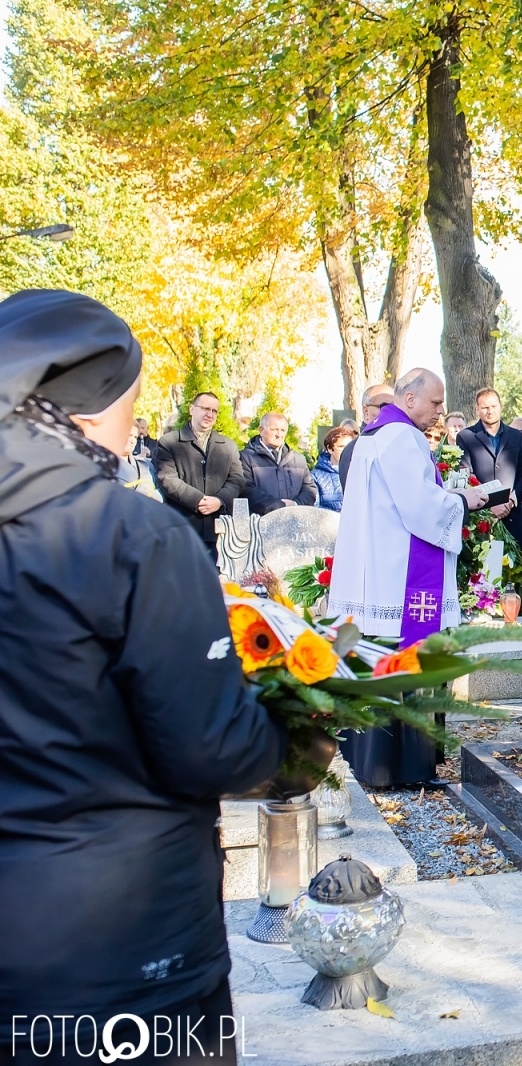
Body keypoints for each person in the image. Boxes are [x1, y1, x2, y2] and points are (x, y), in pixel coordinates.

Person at [0, 290, 309, 1060]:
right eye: (131, 407)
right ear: (89, 405)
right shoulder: (134, 536)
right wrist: (298, 731)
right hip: (124, 944)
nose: (135, 427)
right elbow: (210, 747)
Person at [329, 368, 488, 785]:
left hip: (371, 572)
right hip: (396, 575)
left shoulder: (370, 439)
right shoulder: (403, 438)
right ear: (409, 398)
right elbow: (421, 508)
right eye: (435, 402)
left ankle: (373, 765)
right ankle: (410, 767)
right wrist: (464, 500)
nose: (440, 411)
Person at [155, 390, 247, 555]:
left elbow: (237, 480)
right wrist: (197, 500)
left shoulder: (228, 446)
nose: (209, 414)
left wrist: (219, 500)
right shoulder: (169, 442)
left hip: (219, 530)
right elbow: (167, 479)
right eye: (205, 408)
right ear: (192, 409)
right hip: (181, 528)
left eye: (214, 411)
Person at [457, 387, 522, 548]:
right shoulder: (466, 437)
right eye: (485, 407)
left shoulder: (516, 436)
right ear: (477, 410)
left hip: (512, 515)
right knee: (486, 570)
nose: (490, 411)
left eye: (493, 406)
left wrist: (510, 500)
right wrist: (491, 504)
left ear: (500, 406)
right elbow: (468, 475)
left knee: (515, 570)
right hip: (482, 518)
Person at [240, 411, 317, 515]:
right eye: (274, 430)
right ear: (261, 430)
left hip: (294, 520)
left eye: (283, 430)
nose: (279, 435)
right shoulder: (245, 457)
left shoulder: (299, 460)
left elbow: (309, 488)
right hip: (261, 523)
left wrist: (296, 505)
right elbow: (246, 489)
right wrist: (278, 507)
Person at [339, 382, 394, 488]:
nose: (391, 412)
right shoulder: (354, 449)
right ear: (366, 412)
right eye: (385, 407)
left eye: (395, 408)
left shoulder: (396, 443)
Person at [312, 426, 356, 512]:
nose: (346, 451)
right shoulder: (315, 476)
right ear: (330, 449)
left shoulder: (359, 472)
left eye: (349, 447)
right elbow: (314, 511)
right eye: (341, 447)